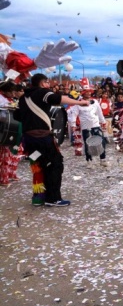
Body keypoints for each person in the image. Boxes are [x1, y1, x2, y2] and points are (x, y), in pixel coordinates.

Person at [13, 73, 90, 206]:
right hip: (42, 138)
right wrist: (80, 102)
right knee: (55, 164)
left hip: (28, 140)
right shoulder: (43, 93)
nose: (49, 85)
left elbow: (18, 116)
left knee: (39, 165)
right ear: (43, 83)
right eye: (47, 82)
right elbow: (59, 98)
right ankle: (53, 199)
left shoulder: (23, 98)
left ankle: (38, 198)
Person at [69, 84, 109, 168]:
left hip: (96, 124)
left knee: (102, 141)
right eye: (86, 92)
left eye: (89, 92)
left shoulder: (95, 102)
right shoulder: (78, 104)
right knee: (88, 144)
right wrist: (73, 124)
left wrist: (103, 121)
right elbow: (74, 115)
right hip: (85, 126)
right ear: (83, 93)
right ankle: (89, 161)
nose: (89, 93)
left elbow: (99, 112)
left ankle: (103, 159)